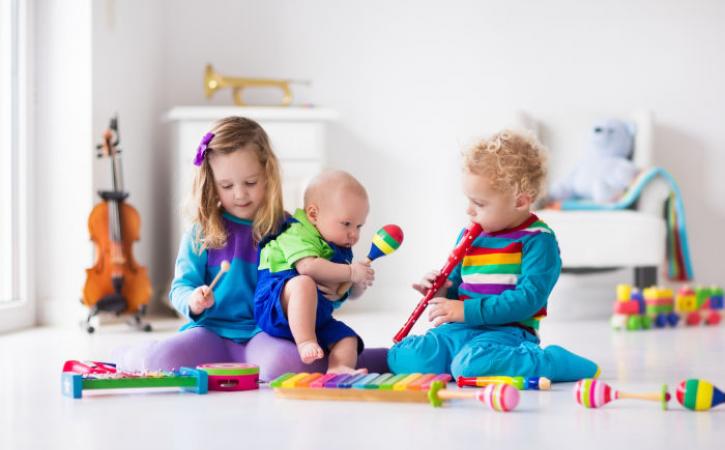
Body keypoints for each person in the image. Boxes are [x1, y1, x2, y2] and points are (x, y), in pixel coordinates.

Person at [112, 117, 387, 379]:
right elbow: (180, 288)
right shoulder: (201, 233)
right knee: (160, 362)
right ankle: (129, 356)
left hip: (265, 334)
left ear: (268, 175)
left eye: (250, 183)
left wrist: (338, 284)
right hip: (210, 331)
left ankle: (374, 360)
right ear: (211, 184)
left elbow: (319, 280)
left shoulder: (289, 229)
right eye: (227, 185)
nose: (240, 194)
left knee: (293, 366)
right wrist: (193, 300)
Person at [387, 130, 599, 381]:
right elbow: (457, 289)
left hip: (508, 333)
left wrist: (467, 311)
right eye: (469, 201)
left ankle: (552, 362)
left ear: (520, 202)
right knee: (404, 357)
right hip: (462, 329)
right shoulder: (470, 235)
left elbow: (527, 300)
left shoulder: (539, 241)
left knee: (469, 366)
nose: (469, 211)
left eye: (479, 203)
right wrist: (442, 289)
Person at [254, 170, 374, 374]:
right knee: (304, 282)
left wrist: (358, 284)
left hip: (317, 317)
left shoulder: (339, 246)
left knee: (347, 339)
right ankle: (305, 342)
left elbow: (346, 293)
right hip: (275, 308)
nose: (354, 234)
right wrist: (350, 272)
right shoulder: (295, 232)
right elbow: (307, 267)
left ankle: (339, 368)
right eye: (346, 223)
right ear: (313, 214)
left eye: (359, 226)